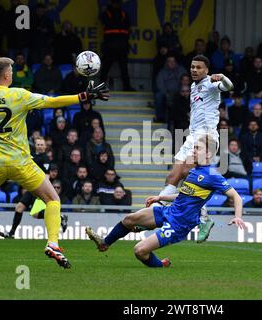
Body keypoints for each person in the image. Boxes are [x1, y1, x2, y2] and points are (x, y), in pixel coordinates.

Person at [0, 57, 109, 271]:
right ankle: (52, 243)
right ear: (7, 75)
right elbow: (52, 102)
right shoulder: (20, 95)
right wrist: (83, 96)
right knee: (52, 199)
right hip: (21, 164)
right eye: (11, 70)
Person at [85, 135, 245, 267]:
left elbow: (236, 197)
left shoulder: (213, 175)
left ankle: (161, 265)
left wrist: (237, 216)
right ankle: (104, 243)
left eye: (198, 148)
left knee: (139, 251)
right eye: (194, 147)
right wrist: (160, 197)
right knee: (129, 219)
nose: (193, 151)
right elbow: (183, 195)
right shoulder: (194, 171)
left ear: (209, 154)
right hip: (169, 211)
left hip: (179, 224)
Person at [157, 55, 233, 243]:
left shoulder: (211, 83)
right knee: (172, 177)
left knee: (187, 173)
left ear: (206, 70)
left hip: (206, 136)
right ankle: (160, 211)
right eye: (192, 67)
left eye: (198, 67)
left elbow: (229, 86)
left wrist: (222, 77)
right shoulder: (193, 86)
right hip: (191, 136)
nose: (194, 70)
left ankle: (204, 219)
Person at [0, 137, 65, 239]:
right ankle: (11, 233)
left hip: (39, 188)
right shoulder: (31, 156)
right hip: (30, 188)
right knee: (19, 208)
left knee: (35, 214)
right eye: (38, 144)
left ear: (45, 146)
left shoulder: (45, 158)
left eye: (42, 145)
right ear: (35, 145)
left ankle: (60, 217)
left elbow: (47, 175)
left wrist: (42, 188)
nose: (40, 146)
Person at [99, 0, 133, 91]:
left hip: (122, 45)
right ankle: (100, 87)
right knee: (105, 68)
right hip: (110, 45)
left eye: (117, 2)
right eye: (114, 2)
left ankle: (127, 87)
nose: (116, 4)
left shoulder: (124, 14)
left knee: (124, 68)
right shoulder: (106, 13)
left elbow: (128, 26)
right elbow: (103, 21)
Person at [155, 55, 187, 123]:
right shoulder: (162, 72)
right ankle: (160, 118)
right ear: (166, 62)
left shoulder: (181, 70)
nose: (172, 63)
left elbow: (185, 81)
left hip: (179, 92)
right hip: (166, 92)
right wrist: (166, 93)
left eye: (173, 61)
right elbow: (159, 84)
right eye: (169, 61)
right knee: (158, 96)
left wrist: (180, 91)